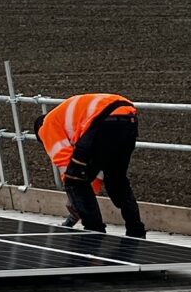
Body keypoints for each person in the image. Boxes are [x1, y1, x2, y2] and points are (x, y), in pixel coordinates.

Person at [37, 91, 146, 237]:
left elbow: (66, 165)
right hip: (128, 119)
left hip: (104, 121)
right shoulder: (70, 120)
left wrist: (74, 199)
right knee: (116, 180)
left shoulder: (47, 126)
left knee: (74, 181)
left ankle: (94, 233)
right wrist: (84, 198)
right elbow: (95, 168)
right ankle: (136, 231)